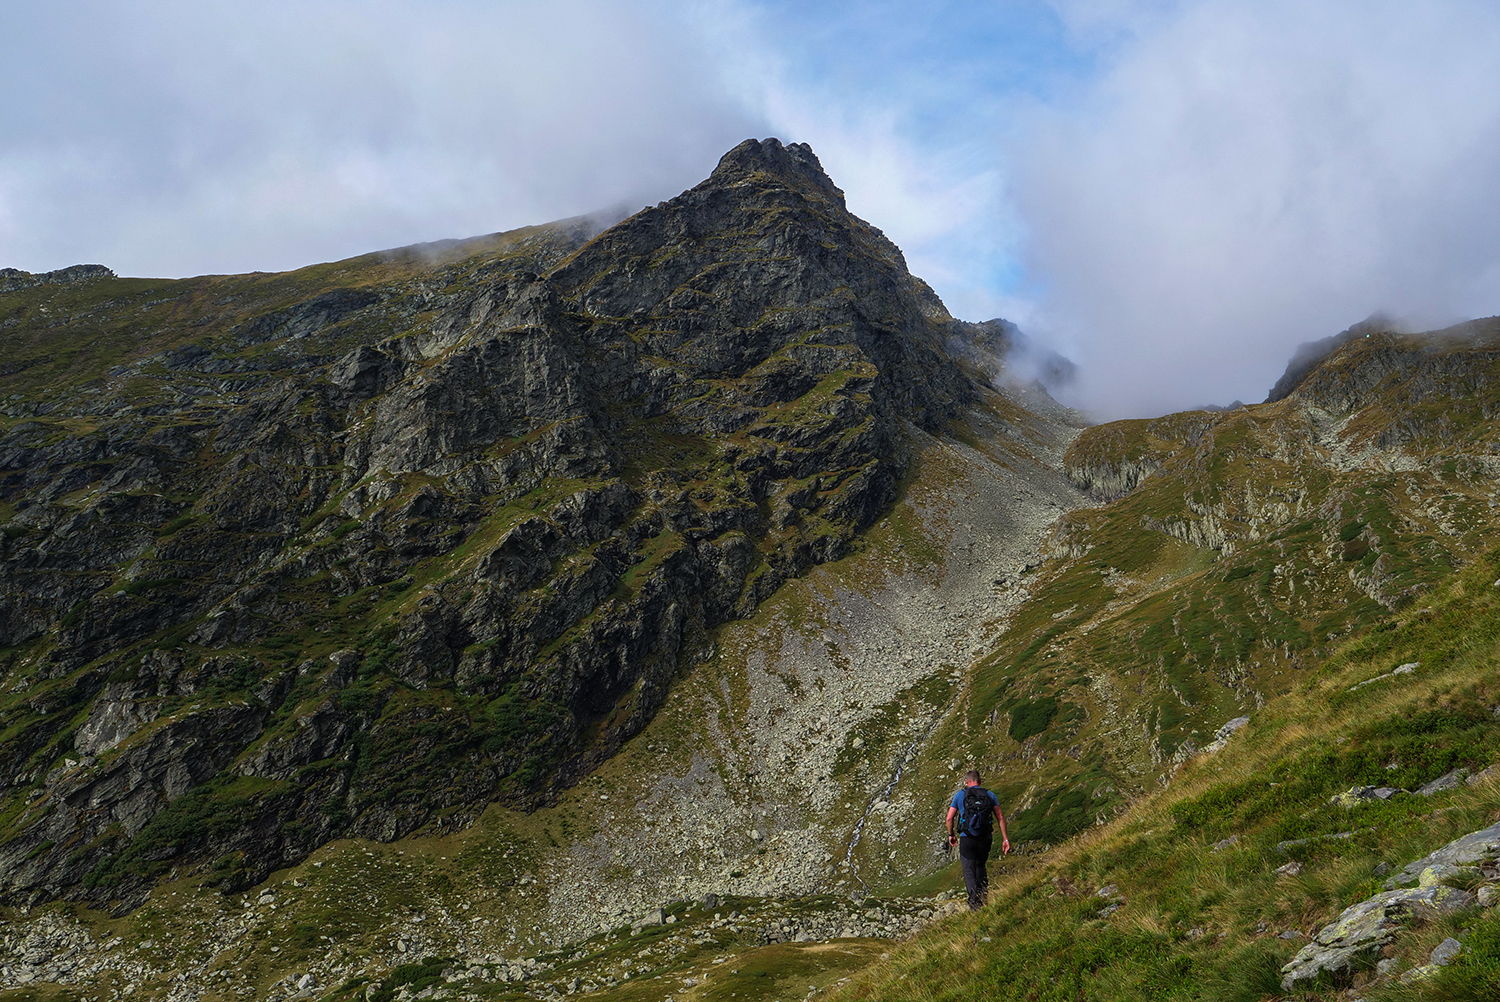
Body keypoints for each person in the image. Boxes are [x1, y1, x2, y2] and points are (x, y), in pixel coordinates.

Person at [946, 769, 1009, 910]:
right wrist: (1005, 839)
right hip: (985, 838)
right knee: (980, 866)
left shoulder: (960, 795)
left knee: (969, 871)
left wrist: (951, 835)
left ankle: (974, 905)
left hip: (967, 838)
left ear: (967, 782)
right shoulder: (989, 795)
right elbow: (1000, 817)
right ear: (980, 782)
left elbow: (949, 818)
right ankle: (983, 898)